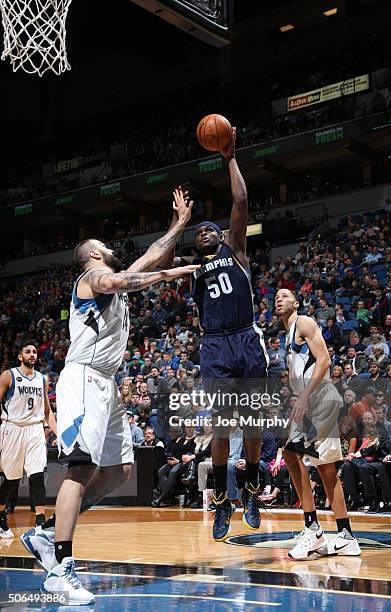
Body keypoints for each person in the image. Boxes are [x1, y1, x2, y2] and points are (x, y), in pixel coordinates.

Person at [20, 189, 199, 604]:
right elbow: (123, 278)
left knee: (119, 469)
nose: (111, 249)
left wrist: (178, 226)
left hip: (106, 383)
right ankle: (61, 571)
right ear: (93, 255)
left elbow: (151, 256)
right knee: (80, 470)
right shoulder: (90, 279)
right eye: (104, 246)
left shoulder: (110, 287)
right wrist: (172, 274)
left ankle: (47, 536)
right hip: (83, 379)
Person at [185, 129, 269, 541]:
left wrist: (230, 158)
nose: (205, 231)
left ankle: (252, 487)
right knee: (221, 428)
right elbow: (157, 258)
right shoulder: (189, 269)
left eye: (209, 228)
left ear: (221, 236)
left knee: (251, 425)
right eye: (197, 230)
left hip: (246, 339)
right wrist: (179, 221)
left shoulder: (235, 250)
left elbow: (240, 202)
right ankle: (222, 499)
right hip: (215, 344)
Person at [275, 288, 360, 560]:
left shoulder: (304, 322)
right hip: (308, 402)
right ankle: (341, 535)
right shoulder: (287, 335)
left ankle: (316, 530)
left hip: (320, 397)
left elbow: (324, 360)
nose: (279, 298)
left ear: (296, 303)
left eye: (285, 295)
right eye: (276, 296)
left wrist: (305, 398)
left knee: (303, 459)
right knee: (310, 464)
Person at [0, 342, 56, 538]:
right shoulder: (8, 375)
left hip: (34, 429)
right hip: (12, 428)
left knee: (37, 474)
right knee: (11, 479)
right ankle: (0, 515)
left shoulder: (42, 379)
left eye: (34, 352)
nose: (32, 354)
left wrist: (58, 435)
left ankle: (41, 521)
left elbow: (48, 412)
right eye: (27, 352)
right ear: (20, 356)